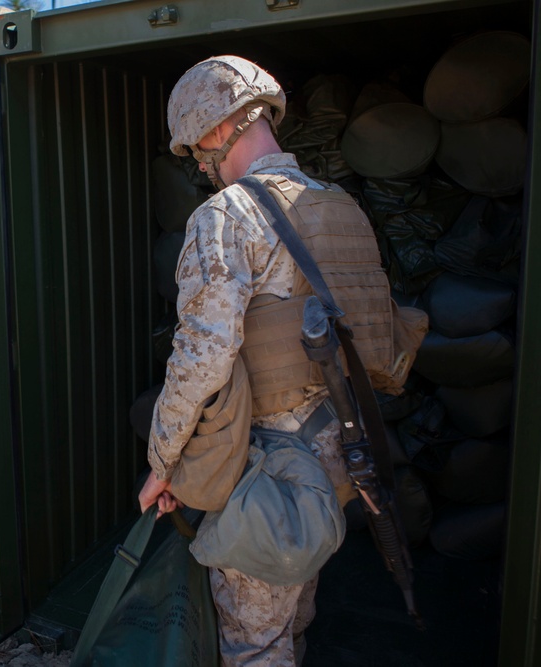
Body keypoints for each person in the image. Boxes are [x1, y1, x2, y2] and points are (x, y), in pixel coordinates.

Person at [138, 55, 413, 666]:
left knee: (254, 641)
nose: (201, 166)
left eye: (195, 151)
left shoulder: (226, 216)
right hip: (343, 455)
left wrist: (164, 460)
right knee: (292, 617)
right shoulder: (342, 205)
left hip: (271, 469)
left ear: (213, 129)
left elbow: (201, 360)